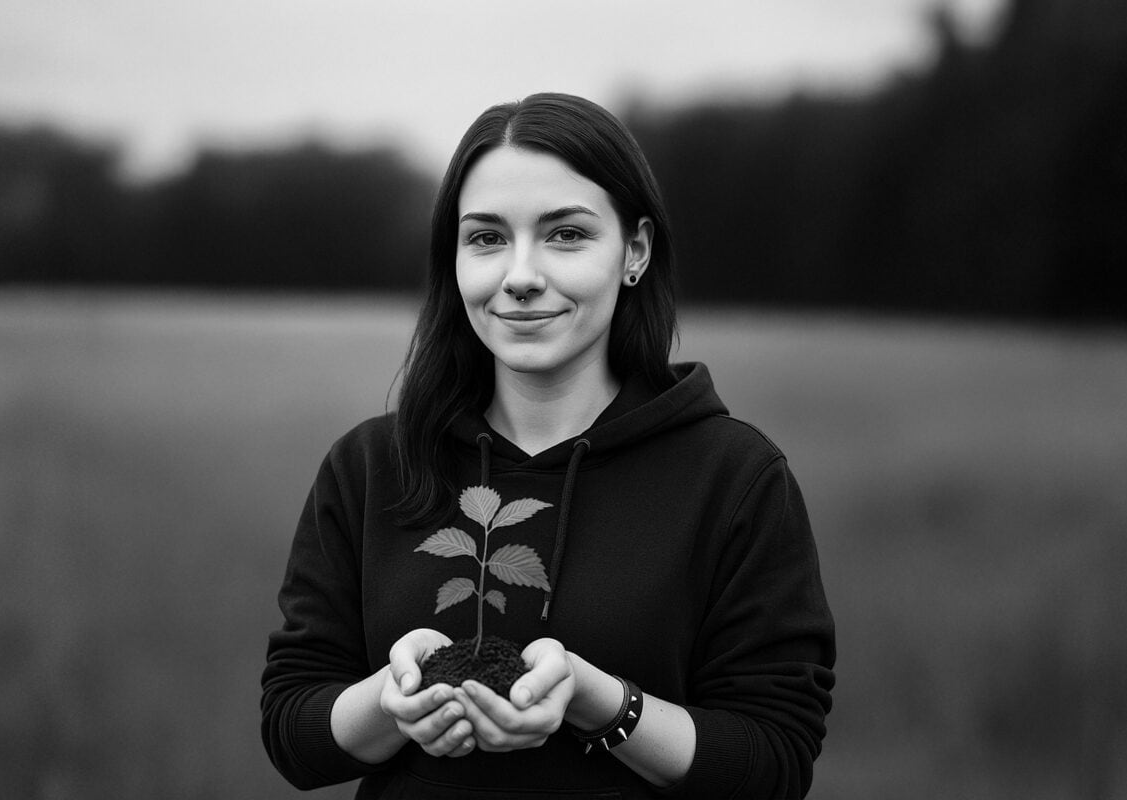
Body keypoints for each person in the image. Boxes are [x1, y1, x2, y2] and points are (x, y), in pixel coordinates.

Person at [261, 92, 835, 799]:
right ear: (455, 259)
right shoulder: (371, 468)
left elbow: (774, 761)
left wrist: (599, 701)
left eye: (565, 235)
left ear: (635, 251)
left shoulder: (737, 480)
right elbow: (292, 731)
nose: (521, 276)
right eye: (487, 237)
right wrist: (392, 701)